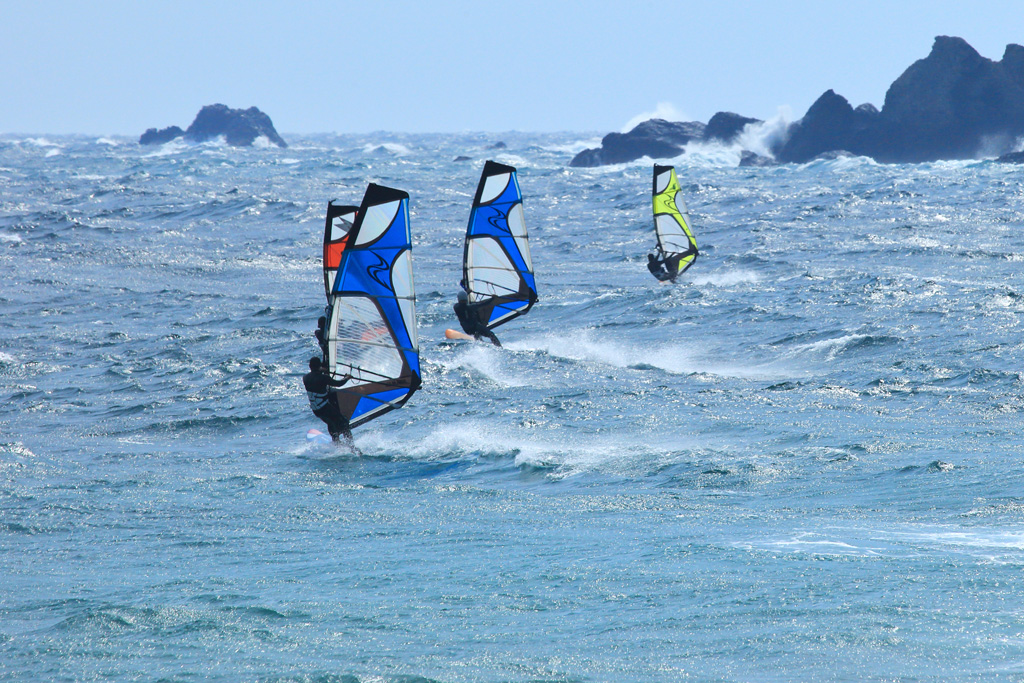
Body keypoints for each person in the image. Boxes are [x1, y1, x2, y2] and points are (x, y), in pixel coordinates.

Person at [302, 356, 353, 444]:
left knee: (331, 423)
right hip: (324, 408)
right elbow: (338, 384)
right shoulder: (323, 378)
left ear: (310, 366)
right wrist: (346, 378)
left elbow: (316, 378)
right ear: (320, 366)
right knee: (344, 422)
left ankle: (336, 443)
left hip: (316, 411)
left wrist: (321, 370)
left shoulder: (305, 378)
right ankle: (351, 446)